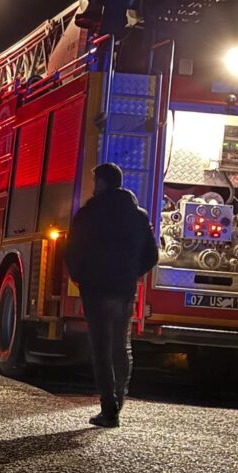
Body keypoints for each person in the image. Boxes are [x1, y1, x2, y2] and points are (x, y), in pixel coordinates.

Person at [65, 163, 158, 428]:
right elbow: (151, 256)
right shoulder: (138, 216)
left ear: (103, 182)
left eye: (95, 180)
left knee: (101, 349)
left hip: (95, 290)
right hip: (123, 290)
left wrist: (80, 277)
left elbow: (72, 250)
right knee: (120, 346)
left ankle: (109, 409)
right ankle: (119, 398)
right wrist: (132, 274)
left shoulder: (88, 214)